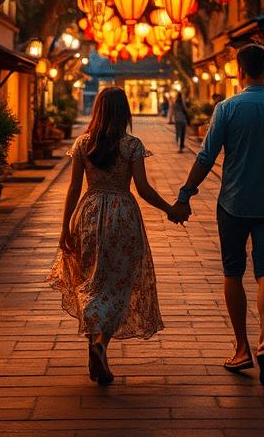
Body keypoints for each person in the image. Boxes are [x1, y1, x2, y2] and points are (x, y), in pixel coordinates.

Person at [173, 45, 264, 387]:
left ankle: (242, 347)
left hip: (232, 204)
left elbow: (206, 157)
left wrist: (186, 193)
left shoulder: (227, 108)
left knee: (233, 272)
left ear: (239, 71)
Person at [48, 87, 185, 385]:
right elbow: (144, 189)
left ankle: (94, 353)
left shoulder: (83, 144)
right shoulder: (131, 145)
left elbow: (72, 188)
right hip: (122, 216)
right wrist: (169, 209)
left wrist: (64, 227)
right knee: (117, 284)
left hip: (88, 212)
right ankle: (100, 346)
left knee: (90, 282)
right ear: (124, 112)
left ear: (97, 110)